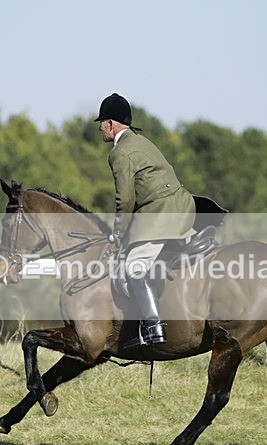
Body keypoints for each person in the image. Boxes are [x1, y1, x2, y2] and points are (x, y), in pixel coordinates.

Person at [94, 93, 196, 347]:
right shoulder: (142, 142)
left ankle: (152, 327)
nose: (99, 127)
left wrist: (118, 233)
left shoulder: (120, 153)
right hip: (183, 207)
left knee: (134, 267)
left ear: (111, 124)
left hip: (161, 213)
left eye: (102, 122)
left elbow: (125, 200)